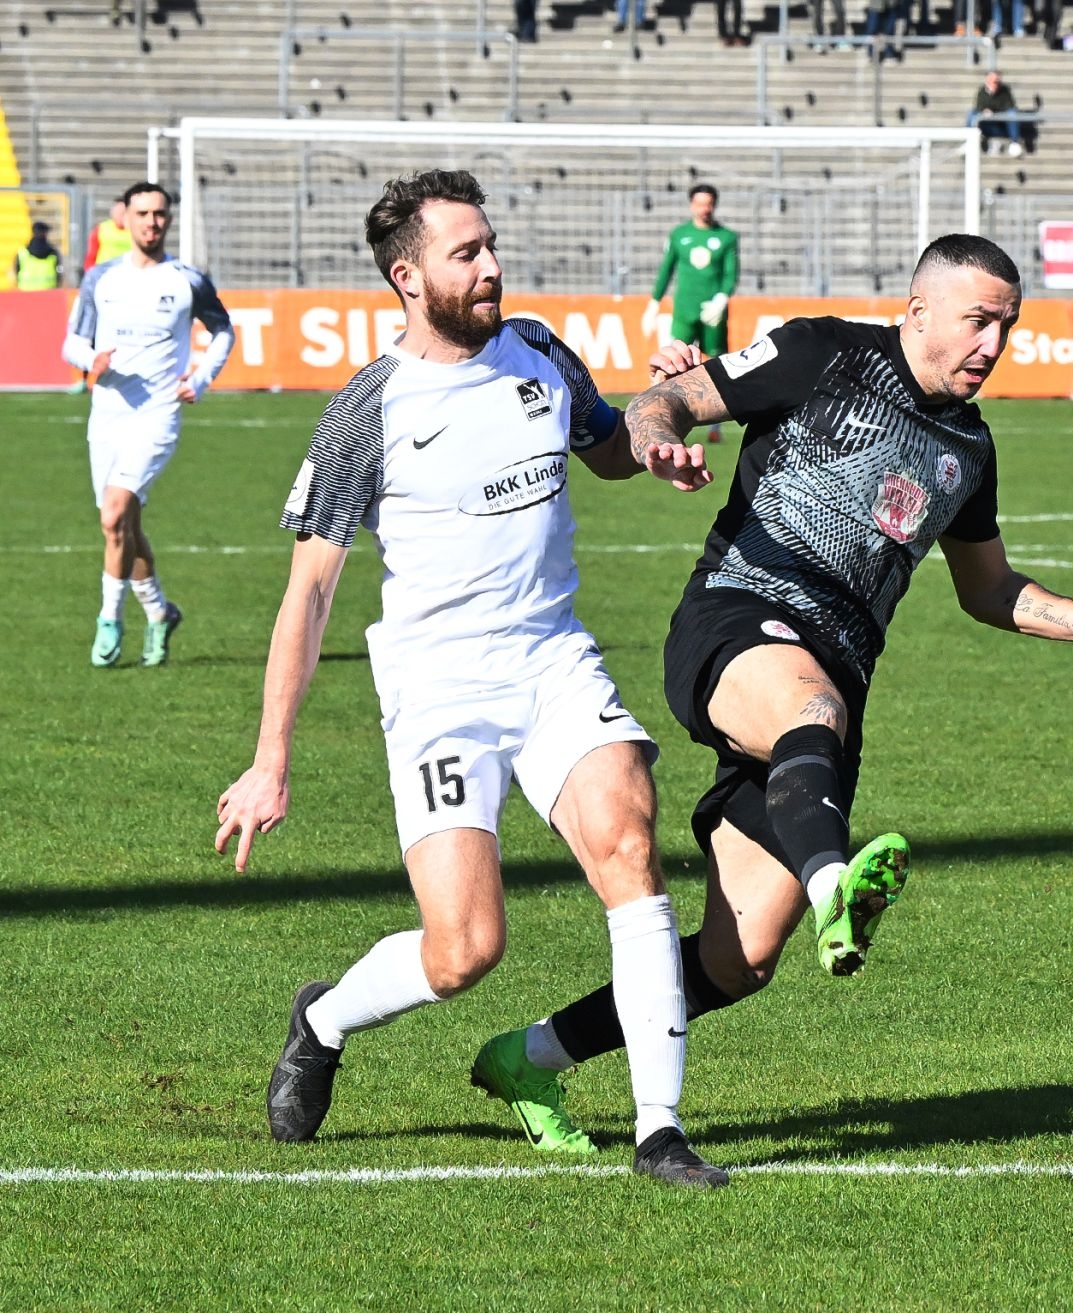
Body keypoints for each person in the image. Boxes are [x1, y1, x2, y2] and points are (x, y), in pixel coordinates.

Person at [466, 235, 1073, 1150]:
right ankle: (836, 882)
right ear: (919, 310)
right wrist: (655, 443)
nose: (992, 344)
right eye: (977, 321)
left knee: (742, 957)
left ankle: (529, 1058)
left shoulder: (968, 445)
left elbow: (987, 588)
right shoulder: (823, 351)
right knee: (811, 709)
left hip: (832, 683)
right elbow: (668, 400)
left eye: (1007, 326)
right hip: (737, 618)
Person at [213, 169, 729, 1188]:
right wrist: (270, 758)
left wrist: (655, 443)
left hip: (551, 658)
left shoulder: (536, 346)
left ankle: (660, 1129)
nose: (491, 265)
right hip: (440, 691)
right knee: (464, 948)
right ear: (408, 276)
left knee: (629, 842)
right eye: (467, 252)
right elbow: (309, 593)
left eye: (491, 245)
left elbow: (605, 444)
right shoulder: (370, 409)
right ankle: (322, 1018)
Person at [60, 183, 233, 670]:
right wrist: (94, 358)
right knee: (124, 525)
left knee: (114, 516)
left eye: (159, 214)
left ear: (168, 220)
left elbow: (223, 329)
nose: (151, 222)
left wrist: (201, 377)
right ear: (126, 219)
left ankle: (108, 620)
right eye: (143, 213)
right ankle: (159, 612)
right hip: (108, 414)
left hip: (157, 414)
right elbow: (70, 343)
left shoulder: (188, 280)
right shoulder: (101, 279)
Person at [646, 184, 738, 444]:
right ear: (691, 205)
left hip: (713, 312)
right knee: (675, 362)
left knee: (717, 363)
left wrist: (721, 298)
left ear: (714, 205)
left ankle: (717, 425)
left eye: (708, 203)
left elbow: (731, 273)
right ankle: (667, 420)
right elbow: (667, 269)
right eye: (699, 203)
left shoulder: (727, 237)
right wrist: (654, 302)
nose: (704, 209)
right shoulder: (679, 235)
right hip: (684, 309)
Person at [970, 70, 1026, 157]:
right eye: (992, 81)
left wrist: (994, 112)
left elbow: (1009, 105)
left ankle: (1014, 143)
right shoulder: (982, 91)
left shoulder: (1005, 90)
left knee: (1012, 113)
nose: (995, 84)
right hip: (987, 125)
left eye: (997, 81)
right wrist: (985, 111)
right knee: (972, 114)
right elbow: (979, 107)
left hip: (1002, 125)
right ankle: (969, 140)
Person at [83, 198, 131, 271]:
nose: (120, 216)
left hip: (127, 271)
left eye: (123, 213)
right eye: (117, 212)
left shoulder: (136, 230)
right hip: (104, 271)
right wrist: (90, 272)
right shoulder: (101, 229)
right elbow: (91, 255)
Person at [13, 220, 61, 289]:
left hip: (26, 291)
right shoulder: (53, 253)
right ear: (45, 234)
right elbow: (59, 272)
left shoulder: (22, 252)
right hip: (48, 291)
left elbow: (15, 272)